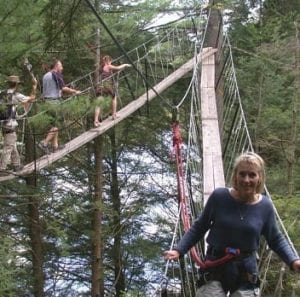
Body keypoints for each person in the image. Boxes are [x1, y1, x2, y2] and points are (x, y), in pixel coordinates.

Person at [164, 152, 300, 297]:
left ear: (260, 177)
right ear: (235, 175)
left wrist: (293, 260)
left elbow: (275, 239)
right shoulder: (219, 197)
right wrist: (179, 250)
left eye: (252, 175)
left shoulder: (265, 206)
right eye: (242, 174)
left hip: (246, 270)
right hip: (215, 266)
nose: (246, 180)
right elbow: (199, 227)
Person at [38, 59, 81, 154]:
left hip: (47, 102)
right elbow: (63, 88)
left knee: (55, 124)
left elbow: (46, 90)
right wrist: (75, 91)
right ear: (56, 66)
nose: (62, 68)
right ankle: (44, 143)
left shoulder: (46, 75)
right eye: (61, 66)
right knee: (56, 126)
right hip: (54, 103)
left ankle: (55, 146)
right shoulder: (55, 74)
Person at [0, 75, 37, 175]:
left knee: (12, 145)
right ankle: (2, 168)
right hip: (10, 124)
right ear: (16, 84)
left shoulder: (2, 94)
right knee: (8, 147)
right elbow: (31, 99)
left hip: (3, 124)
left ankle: (16, 165)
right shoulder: (16, 95)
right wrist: (34, 87)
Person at [94, 55, 131, 127]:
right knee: (114, 98)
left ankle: (96, 121)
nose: (111, 63)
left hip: (100, 87)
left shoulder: (101, 68)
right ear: (108, 61)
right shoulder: (108, 66)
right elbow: (117, 68)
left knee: (98, 104)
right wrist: (125, 65)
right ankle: (114, 114)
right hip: (106, 85)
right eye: (111, 61)